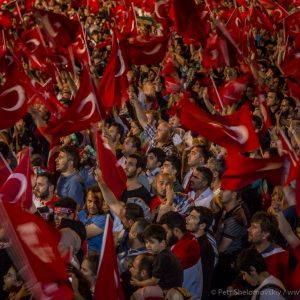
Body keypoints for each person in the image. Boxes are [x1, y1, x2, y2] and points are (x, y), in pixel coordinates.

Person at [159, 211, 202, 299]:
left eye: (165, 233)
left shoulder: (188, 249)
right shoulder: (184, 240)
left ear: (176, 231)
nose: (163, 237)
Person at [130, 224, 183, 291]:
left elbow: (154, 281)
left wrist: (138, 283)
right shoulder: (166, 253)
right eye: (146, 242)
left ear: (162, 244)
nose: (148, 245)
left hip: (169, 292)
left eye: (151, 242)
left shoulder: (162, 258)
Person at [186, 206, 216, 299]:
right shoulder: (193, 241)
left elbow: (200, 278)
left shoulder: (204, 248)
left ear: (202, 225)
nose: (187, 218)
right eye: (189, 215)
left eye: (193, 217)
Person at [78, 185, 106, 254]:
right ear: (86, 200)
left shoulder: (103, 219)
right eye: (89, 201)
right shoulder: (81, 213)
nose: (92, 205)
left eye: (96, 202)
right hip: (80, 253)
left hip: (94, 258)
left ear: (102, 202)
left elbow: (82, 234)